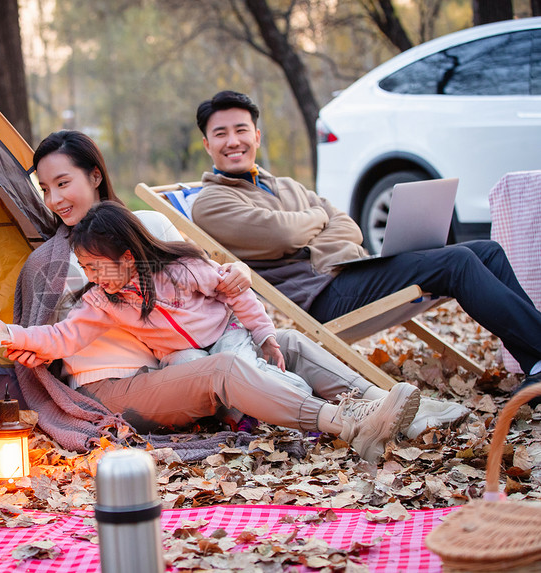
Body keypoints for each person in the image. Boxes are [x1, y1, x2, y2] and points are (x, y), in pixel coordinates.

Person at [0, 201, 423, 463]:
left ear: (129, 256)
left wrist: (264, 334)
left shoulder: (182, 270)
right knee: (218, 368)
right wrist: (15, 334)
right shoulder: (102, 300)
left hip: (224, 335)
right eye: (84, 268)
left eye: (95, 266)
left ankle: (400, 410)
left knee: (284, 345)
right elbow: (62, 338)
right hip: (170, 367)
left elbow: (236, 295)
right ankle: (342, 421)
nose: (90, 275)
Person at [190, 89, 541, 399]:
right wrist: (317, 218)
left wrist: (311, 225)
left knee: (486, 251)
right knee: (458, 262)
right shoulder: (212, 201)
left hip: (355, 271)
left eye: (241, 130)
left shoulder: (285, 185)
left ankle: (536, 366)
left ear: (257, 136)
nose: (233, 141)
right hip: (325, 295)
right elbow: (282, 235)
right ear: (208, 144)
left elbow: (349, 226)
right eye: (220, 134)